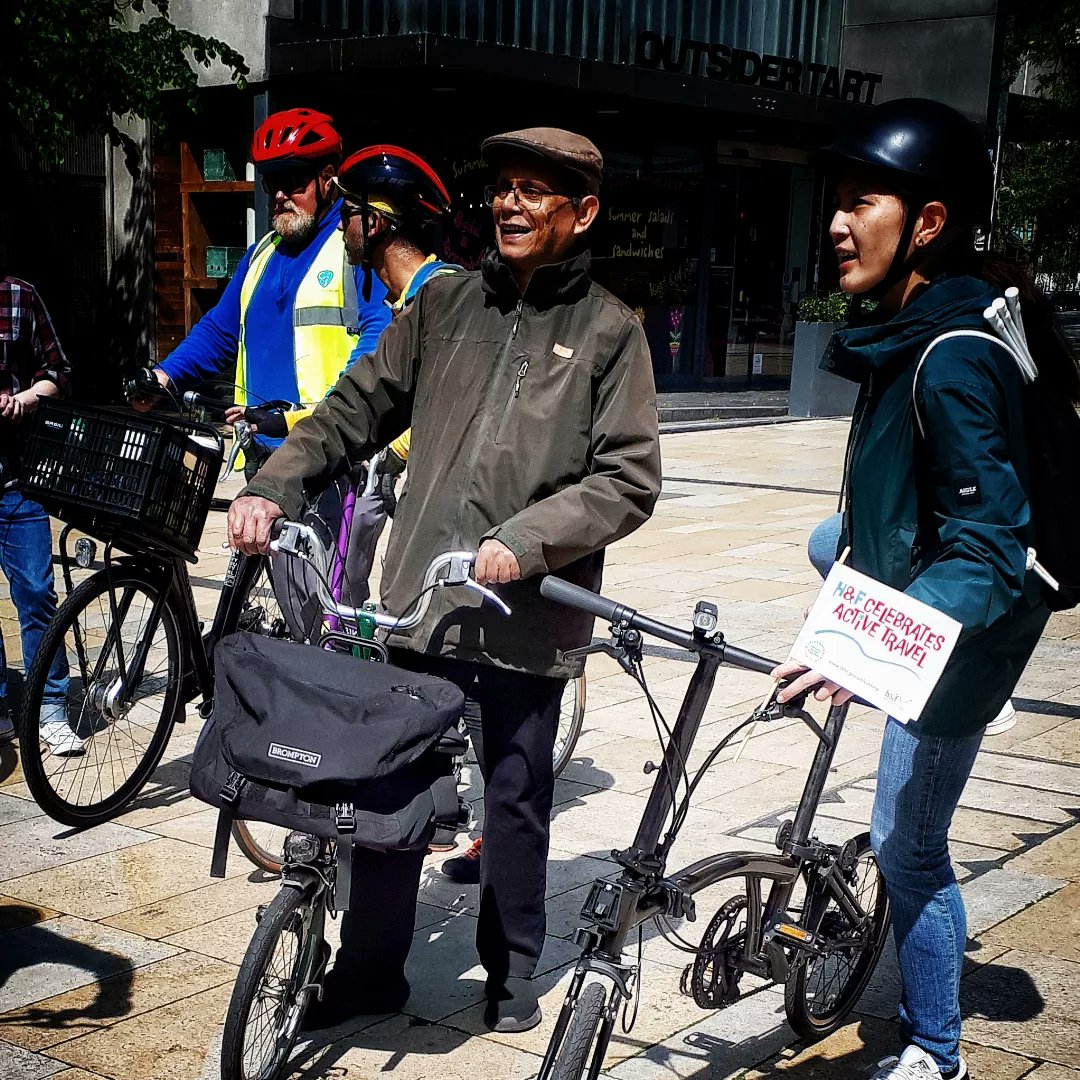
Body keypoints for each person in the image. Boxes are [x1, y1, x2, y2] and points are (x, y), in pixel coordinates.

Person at [227, 127, 661, 1034]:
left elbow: (627, 477)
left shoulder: (611, 333)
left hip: (524, 611)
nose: (510, 204)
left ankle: (510, 973)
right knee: (383, 791)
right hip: (420, 605)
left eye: (535, 191)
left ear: (581, 214)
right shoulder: (446, 306)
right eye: (502, 186)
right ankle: (368, 972)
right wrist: (273, 486)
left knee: (513, 798)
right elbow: (353, 407)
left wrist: (530, 538)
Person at [774, 98, 1080, 1080]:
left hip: (968, 639)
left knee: (907, 850)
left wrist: (866, 643)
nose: (834, 220)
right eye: (836, 199)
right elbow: (841, 328)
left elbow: (990, 549)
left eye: (862, 200)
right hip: (925, 576)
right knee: (835, 537)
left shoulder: (951, 358)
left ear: (929, 223)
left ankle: (936, 1050)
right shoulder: (919, 314)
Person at [135, 109, 390, 461]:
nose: (281, 194)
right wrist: (164, 376)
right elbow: (219, 332)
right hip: (260, 452)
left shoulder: (355, 249)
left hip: (332, 456)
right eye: (272, 182)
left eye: (294, 180)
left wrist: (334, 411)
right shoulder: (261, 254)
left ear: (328, 178)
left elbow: (379, 340)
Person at [806, 512, 1018, 735]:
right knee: (827, 542)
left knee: (927, 715)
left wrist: (882, 632)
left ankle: (975, 681)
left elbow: (985, 549)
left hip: (970, 532)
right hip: (919, 510)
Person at [0, 275, 81, 754]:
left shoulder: (20, 295)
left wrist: (23, 400)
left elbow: (59, 373)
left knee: (36, 594)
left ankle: (49, 708)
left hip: (19, 477)